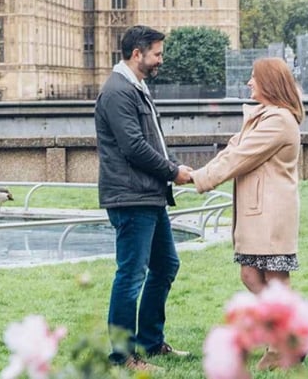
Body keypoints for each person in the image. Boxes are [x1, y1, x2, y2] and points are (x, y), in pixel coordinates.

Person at [95, 25, 193, 369]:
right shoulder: (118, 91)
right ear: (137, 54)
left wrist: (170, 169)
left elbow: (148, 143)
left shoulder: (136, 87)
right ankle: (122, 355)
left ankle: (151, 343)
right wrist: (172, 171)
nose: (160, 60)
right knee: (131, 275)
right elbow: (134, 147)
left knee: (166, 265)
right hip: (131, 198)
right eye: (157, 53)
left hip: (148, 195)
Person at [192, 57, 304, 288]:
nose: (249, 82)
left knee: (272, 279)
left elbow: (239, 157)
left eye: (254, 77)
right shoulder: (263, 117)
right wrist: (197, 175)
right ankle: (276, 323)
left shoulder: (279, 120)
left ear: (269, 82)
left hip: (271, 213)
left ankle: (287, 323)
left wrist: (199, 178)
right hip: (261, 211)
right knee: (251, 275)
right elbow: (233, 149)